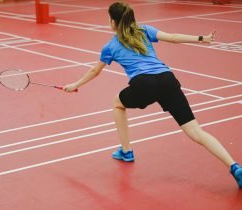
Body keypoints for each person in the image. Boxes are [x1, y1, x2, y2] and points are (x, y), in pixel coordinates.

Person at [63, 1, 241, 188]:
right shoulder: (144, 30)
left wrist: (75, 84)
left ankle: (126, 151)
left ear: (113, 22)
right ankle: (235, 167)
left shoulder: (110, 46)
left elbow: (95, 71)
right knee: (196, 131)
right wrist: (201, 38)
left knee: (117, 103)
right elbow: (172, 37)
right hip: (167, 79)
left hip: (144, 84)